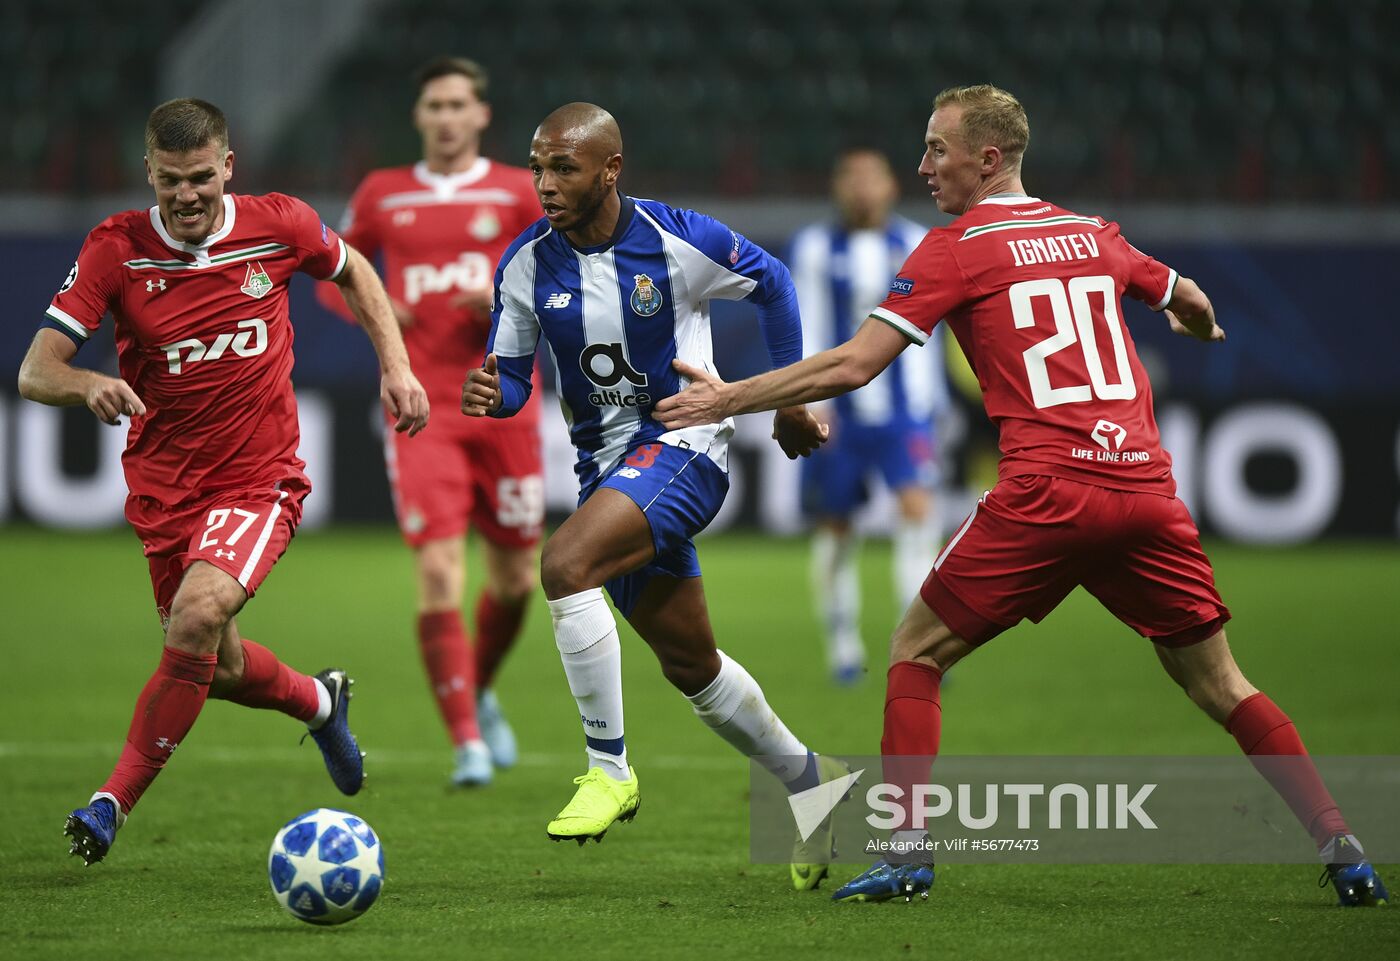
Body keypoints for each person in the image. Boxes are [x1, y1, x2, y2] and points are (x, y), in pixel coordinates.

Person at [654, 84, 1388, 907]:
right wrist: (1197, 324)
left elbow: (852, 366)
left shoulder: (955, 248)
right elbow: (1185, 292)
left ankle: (907, 853)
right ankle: (1343, 844)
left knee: (916, 651)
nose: (923, 165)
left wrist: (724, 397)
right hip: (1146, 490)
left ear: (989, 159)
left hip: (1049, 491)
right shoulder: (1095, 233)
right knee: (1223, 684)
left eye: (938, 149)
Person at [18, 98, 429, 866]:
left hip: (259, 477)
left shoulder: (279, 224)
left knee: (196, 615)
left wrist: (397, 366)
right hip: (165, 489)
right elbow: (37, 369)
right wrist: (86, 385)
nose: (187, 195)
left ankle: (110, 803)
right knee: (219, 664)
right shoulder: (116, 249)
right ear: (149, 172)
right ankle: (319, 699)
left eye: (201, 177)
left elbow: (356, 271)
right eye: (170, 181)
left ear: (227, 167)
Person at [461, 102, 844, 891]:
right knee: (692, 666)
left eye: (563, 168)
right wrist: (487, 393)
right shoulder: (525, 264)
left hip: (685, 445)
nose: (545, 184)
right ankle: (813, 780)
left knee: (566, 564)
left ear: (610, 170)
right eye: (536, 167)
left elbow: (773, 284)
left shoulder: (677, 239)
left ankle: (609, 769)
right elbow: (511, 381)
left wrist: (786, 398)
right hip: (605, 470)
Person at [316, 57, 544, 787]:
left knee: (516, 580)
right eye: (433, 106)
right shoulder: (383, 194)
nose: (446, 117)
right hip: (422, 408)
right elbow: (332, 278)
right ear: (420, 117)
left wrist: (509, 298)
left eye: (458, 105)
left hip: (507, 402)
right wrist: (378, 310)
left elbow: (569, 272)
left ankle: (474, 687)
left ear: (481, 115)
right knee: (440, 568)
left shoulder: (517, 191)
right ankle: (467, 741)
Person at [789, 148, 951, 684]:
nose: (860, 188)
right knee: (837, 528)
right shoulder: (814, 247)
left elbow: (935, 329)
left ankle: (923, 647)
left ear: (890, 186)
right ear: (837, 187)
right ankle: (842, 647)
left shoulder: (918, 243)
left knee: (917, 514)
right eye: (850, 178)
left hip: (907, 413)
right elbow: (807, 323)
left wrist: (935, 406)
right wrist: (812, 402)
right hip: (841, 416)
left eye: (871, 178)